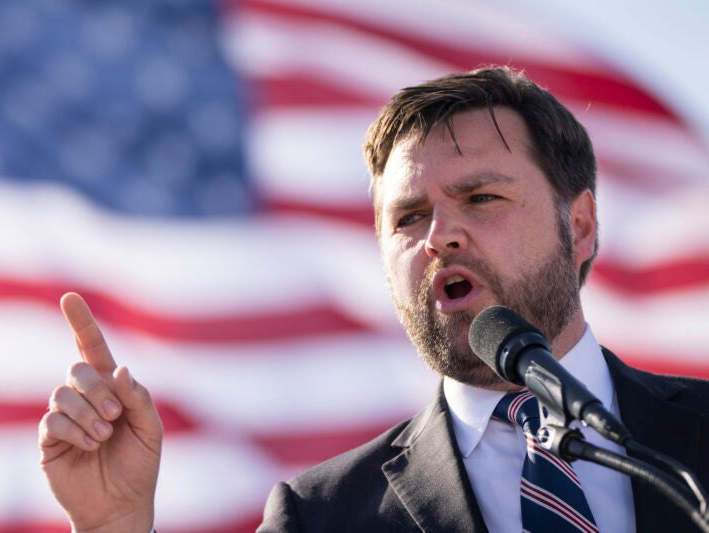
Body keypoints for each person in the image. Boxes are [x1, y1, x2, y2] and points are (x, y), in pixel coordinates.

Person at [37, 66, 709, 532]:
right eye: (409, 218)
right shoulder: (321, 514)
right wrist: (113, 524)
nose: (441, 235)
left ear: (580, 225)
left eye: (481, 197)